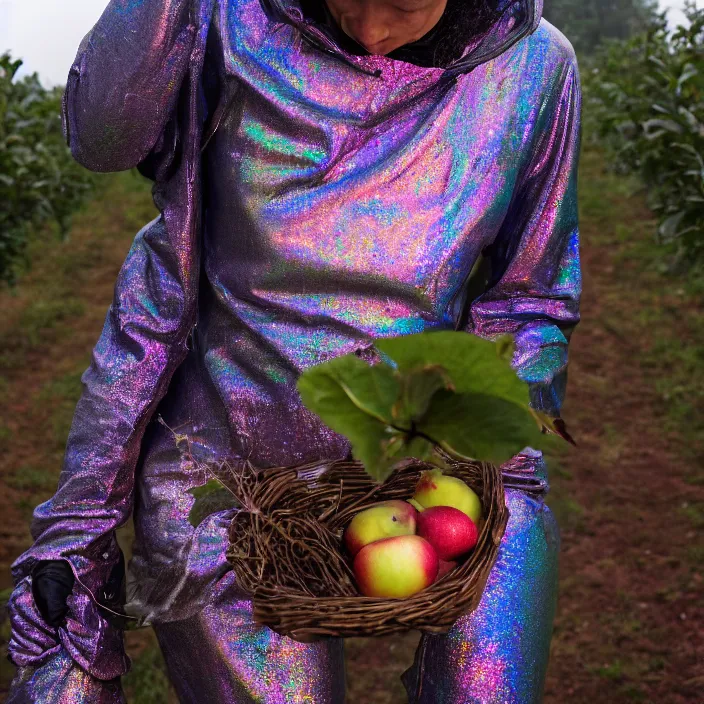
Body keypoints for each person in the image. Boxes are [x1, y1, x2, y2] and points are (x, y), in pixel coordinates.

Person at [6, 0, 582, 701]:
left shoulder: (532, 69)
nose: (369, 27)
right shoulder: (234, 24)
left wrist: (485, 444)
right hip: (226, 481)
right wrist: (81, 521)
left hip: (417, 465)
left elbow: (529, 301)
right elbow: (101, 139)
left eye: (402, 3)